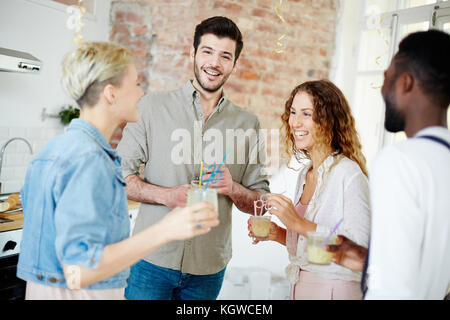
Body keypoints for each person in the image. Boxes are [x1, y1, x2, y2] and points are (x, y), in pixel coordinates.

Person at [17, 42, 219, 300]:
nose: (140, 93)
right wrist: (167, 229)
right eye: (135, 84)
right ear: (111, 94)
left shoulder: (54, 151)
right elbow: (80, 271)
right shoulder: (89, 160)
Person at [117, 16, 270, 300]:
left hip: (208, 269)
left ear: (234, 64)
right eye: (207, 51)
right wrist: (167, 196)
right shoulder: (151, 107)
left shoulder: (248, 124)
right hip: (151, 259)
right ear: (193, 53)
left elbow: (261, 205)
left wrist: (232, 187)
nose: (214, 63)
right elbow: (118, 179)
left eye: (225, 56)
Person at [329, 30, 450, 300]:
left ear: (405, 83)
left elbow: (393, 290)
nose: (383, 90)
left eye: (386, 78)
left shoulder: (399, 160)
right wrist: (370, 261)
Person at [248, 80, 370, 300]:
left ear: (328, 120)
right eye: (293, 112)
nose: (295, 122)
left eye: (306, 113)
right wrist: (280, 234)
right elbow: (311, 247)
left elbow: (360, 251)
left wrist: (297, 222)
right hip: (302, 287)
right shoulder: (306, 173)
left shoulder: (348, 174)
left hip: (336, 290)